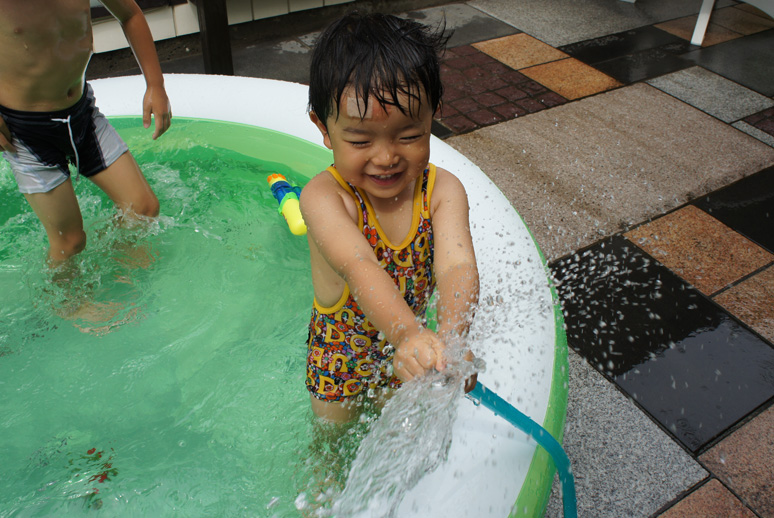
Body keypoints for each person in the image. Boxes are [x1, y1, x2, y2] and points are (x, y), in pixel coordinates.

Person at [301, 12, 480, 424]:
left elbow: (457, 266)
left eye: (409, 135)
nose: (385, 157)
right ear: (323, 128)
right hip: (340, 357)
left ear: (433, 115)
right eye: (360, 140)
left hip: (408, 347)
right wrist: (408, 333)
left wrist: (450, 342)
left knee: (400, 425)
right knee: (333, 441)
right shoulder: (326, 198)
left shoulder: (442, 191)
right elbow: (359, 265)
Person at [0, 0, 171, 265]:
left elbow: (130, 14)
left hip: (82, 113)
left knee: (143, 209)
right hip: (25, 132)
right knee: (70, 242)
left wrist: (155, 85)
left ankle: (121, 274)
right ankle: (66, 292)